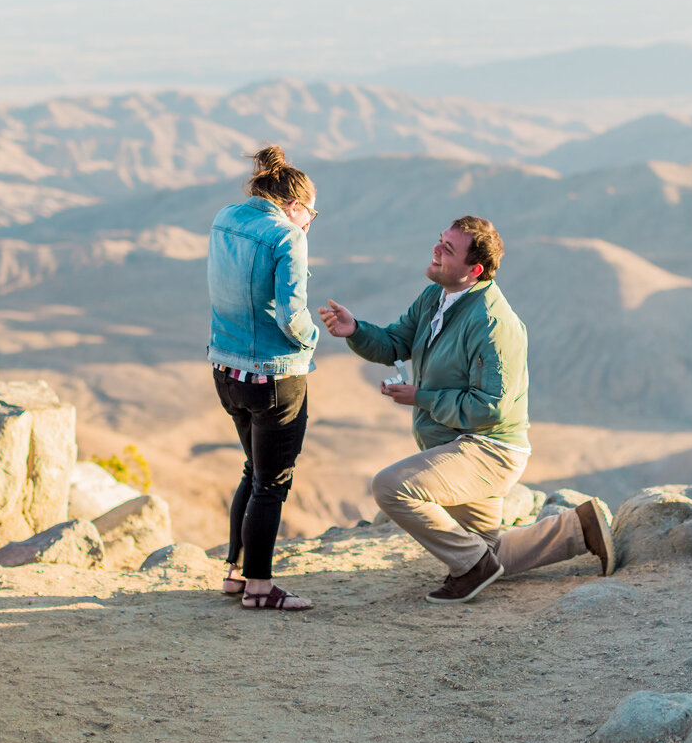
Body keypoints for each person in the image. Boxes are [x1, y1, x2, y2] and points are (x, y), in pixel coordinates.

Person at [318, 216, 614, 604]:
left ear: (473, 270)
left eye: (448, 249)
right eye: (439, 241)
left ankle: (472, 569)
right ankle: (579, 528)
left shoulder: (492, 324)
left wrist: (420, 397)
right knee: (487, 550)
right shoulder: (435, 298)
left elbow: (488, 409)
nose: (436, 250)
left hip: (488, 450)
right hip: (457, 444)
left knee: (390, 487)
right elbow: (394, 342)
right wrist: (355, 329)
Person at [207, 146, 320, 611]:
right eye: (311, 213)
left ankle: (236, 574)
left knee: (253, 471)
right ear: (293, 206)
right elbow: (292, 316)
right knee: (273, 481)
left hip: (225, 369)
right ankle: (259, 587)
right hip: (274, 375)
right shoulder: (287, 237)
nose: (310, 222)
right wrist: (312, 340)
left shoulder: (224, 218)